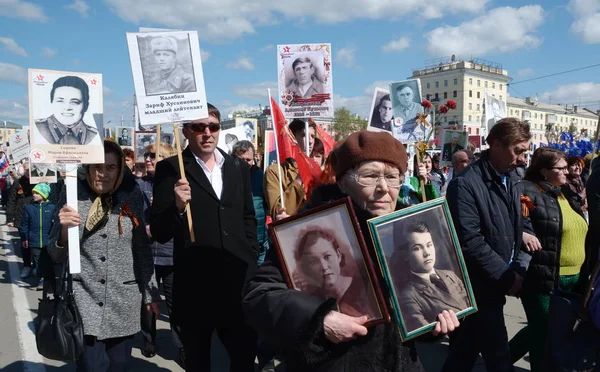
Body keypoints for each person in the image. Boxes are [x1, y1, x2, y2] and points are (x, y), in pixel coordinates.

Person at [244, 131, 459, 372]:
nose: (383, 188)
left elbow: (411, 310)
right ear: (344, 182)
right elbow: (259, 295)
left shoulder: (407, 227)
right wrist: (321, 319)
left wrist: (431, 324)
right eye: (370, 176)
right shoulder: (311, 227)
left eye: (392, 177)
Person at [150, 103, 260, 371]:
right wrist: (176, 205)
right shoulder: (171, 169)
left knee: (244, 357)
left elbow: (248, 216)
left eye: (213, 126)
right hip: (195, 285)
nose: (207, 133)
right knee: (198, 361)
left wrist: (252, 254)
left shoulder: (237, 167)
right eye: (199, 127)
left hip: (237, 281)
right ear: (186, 131)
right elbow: (160, 231)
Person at [47, 139, 161, 370]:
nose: (103, 174)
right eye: (97, 166)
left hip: (123, 301)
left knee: (119, 364)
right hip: (84, 299)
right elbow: (55, 254)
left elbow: (141, 249)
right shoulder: (72, 196)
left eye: (111, 167)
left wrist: (150, 295)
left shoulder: (131, 195)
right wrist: (62, 232)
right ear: (87, 169)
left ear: (120, 170)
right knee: (91, 365)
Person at [442, 118, 533, 372]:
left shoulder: (513, 177)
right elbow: (470, 242)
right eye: (518, 151)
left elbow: (523, 222)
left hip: (500, 280)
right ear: (495, 144)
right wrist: (507, 278)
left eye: (525, 151)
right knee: (499, 360)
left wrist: (520, 267)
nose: (522, 159)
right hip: (478, 287)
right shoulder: (465, 184)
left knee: (463, 354)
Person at [508, 147, 587, 371]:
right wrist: (523, 233)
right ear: (544, 171)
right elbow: (522, 218)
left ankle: (500, 360)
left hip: (574, 277)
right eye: (561, 168)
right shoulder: (528, 192)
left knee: (550, 329)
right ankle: (502, 360)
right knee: (541, 331)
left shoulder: (566, 193)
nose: (567, 172)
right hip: (544, 276)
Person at [135, 142, 184, 365]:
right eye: (146, 155)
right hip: (147, 254)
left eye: (154, 156)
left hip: (171, 253)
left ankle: (182, 346)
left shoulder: (176, 185)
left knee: (177, 304)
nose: (148, 159)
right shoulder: (137, 185)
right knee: (148, 300)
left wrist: (169, 205)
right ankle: (148, 339)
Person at [392, 220, 470, 332]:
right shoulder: (409, 296)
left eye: (429, 245)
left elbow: (469, 304)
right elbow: (422, 331)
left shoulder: (450, 275)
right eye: (417, 248)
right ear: (406, 255)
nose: (427, 253)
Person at [293, 226, 380, 319]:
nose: (324, 267)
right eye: (313, 261)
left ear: (338, 255)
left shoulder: (367, 285)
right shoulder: (313, 300)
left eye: (327, 257)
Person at [263, 119, 317, 220]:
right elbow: (277, 213)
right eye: (303, 135)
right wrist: (299, 179)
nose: (310, 141)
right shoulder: (275, 171)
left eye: (312, 136)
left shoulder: (319, 172)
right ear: (293, 138)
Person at [34, 76, 99, 145]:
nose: (67, 107)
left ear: (86, 106)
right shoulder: (36, 129)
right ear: (51, 103)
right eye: (60, 101)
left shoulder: (95, 135)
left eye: (75, 102)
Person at [20, 183, 55, 290]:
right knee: (37, 260)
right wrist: (25, 237)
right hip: (34, 240)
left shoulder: (52, 207)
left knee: (48, 261)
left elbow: (55, 224)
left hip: (47, 240)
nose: (34, 195)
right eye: (33, 193)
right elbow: (24, 224)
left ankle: (47, 279)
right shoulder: (29, 208)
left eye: (37, 193)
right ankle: (42, 277)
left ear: (44, 195)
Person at [6, 161, 34, 278]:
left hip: (36, 217)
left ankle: (38, 267)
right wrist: (10, 218)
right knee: (25, 243)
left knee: (37, 244)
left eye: (30, 170)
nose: (28, 172)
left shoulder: (39, 182)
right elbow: (11, 200)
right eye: (26, 169)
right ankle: (26, 266)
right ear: (23, 170)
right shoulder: (17, 183)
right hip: (21, 217)